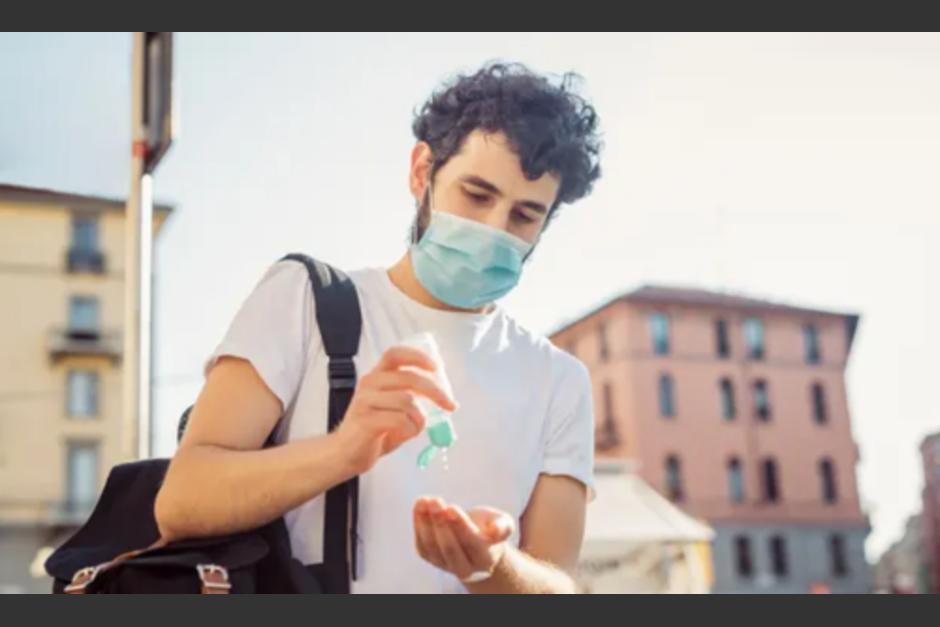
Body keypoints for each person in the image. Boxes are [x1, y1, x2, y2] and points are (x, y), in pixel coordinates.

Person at [155, 62, 603, 593]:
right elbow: (182, 502)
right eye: (476, 195)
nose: (493, 230)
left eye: (525, 216)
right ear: (422, 172)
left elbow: (560, 587)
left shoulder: (558, 380)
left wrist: (490, 565)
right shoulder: (303, 299)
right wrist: (345, 450)